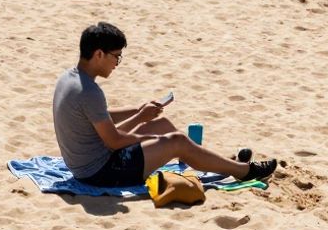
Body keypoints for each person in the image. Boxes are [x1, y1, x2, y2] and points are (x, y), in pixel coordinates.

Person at [53, 22, 278, 188]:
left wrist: (139, 110)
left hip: (87, 162)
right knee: (176, 141)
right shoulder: (90, 91)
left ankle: (202, 158)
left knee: (161, 125)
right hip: (100, 173)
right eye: (116, 57)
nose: (117, 63)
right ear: (99, 54)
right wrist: (141, 118)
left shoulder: (71, 78)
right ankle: (244, 171)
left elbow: (101, 116)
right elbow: (114, 141)